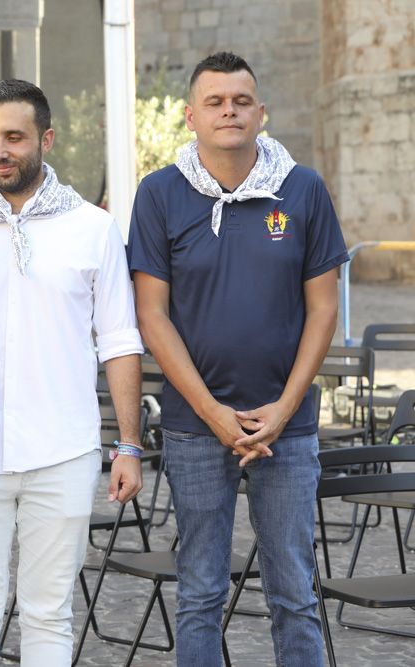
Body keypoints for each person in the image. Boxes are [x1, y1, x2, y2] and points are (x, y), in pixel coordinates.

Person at [128, 52, 348, 666]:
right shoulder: (160, 193)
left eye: (241, 101)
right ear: (191, 116)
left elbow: (324, 309)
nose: (230, 111)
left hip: (289, 427)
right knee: (199, 589)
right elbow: (152, 315)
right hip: (195, 427)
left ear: (261, 112)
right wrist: (212, 412)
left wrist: (284, 406)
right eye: (216, 102)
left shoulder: (301, 188)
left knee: (294, 592)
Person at [0, 79, 145, 664]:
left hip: (64, 450)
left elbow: (120, 341)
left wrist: (128, 444)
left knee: (50, 612)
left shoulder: (93, 229)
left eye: (15, 137)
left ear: (45, 139)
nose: (1, 150)